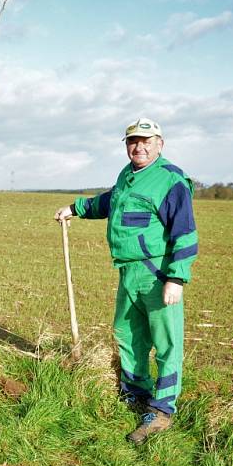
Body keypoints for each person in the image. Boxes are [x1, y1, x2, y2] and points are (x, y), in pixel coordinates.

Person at [54, 118, 198, 444]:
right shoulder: (127, 176)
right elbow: (110, 202)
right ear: (126, 145)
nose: (139, 146)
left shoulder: (170, 180)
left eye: (146, 140)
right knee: (128, 334)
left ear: (160, 143)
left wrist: (176, 278)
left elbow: (185, 233)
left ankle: (161, 411)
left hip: (157, 273)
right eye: (133, 141)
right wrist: (75, 208)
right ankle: (135, 392)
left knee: (166, 342)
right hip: (128, 272)